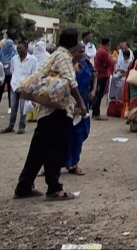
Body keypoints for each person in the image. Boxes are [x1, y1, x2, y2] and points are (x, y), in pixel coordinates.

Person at [13, 28, 88, 201]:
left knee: (38, 150)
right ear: (74, 43)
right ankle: (54, 188)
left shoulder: (54, 55)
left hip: (47, 109)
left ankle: (24, 186)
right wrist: (81, 104)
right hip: (58, 110)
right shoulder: (63, 57)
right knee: (56, 149)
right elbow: (71, 82)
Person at [66, 44, 94, 176]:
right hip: (68, 105)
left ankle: (74, 163)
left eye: (83, 51)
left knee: (80, 133)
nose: (82, 53)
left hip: (84, 103)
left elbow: (95, 74)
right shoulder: (66, 65)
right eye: (79, 51)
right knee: (64, 135)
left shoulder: (86, 62)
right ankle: (54, 163)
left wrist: (94, 90)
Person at [1, 42, 37, 134]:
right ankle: (10, 126)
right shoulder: (14, 59)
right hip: (14, 85)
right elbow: (13, 71)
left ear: (26, 48)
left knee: (23, 107)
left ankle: (21, 126)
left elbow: (34, 74)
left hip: (25, 86)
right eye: (17, 48)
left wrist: (29, 87)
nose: (18, 50)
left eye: (20, 48)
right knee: (13, 107)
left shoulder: (32, 59)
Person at [0, 38, 17, 115]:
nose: (9, 47)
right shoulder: (1, 52)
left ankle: (10, 107)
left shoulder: (14, 52)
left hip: (11, 74)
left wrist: (10, 63)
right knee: (0, 91)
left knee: (10, 91)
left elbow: (16, 62)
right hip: (2, 73)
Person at [91, 38, 114, 121]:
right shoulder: (103, 52)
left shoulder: (100, 50)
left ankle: (95, 112)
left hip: (100, 73)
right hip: (102, 74)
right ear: (108, 43)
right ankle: (96, 113)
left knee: (98, 94)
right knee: (99, 94)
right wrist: (110, 59)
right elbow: (109, 63)